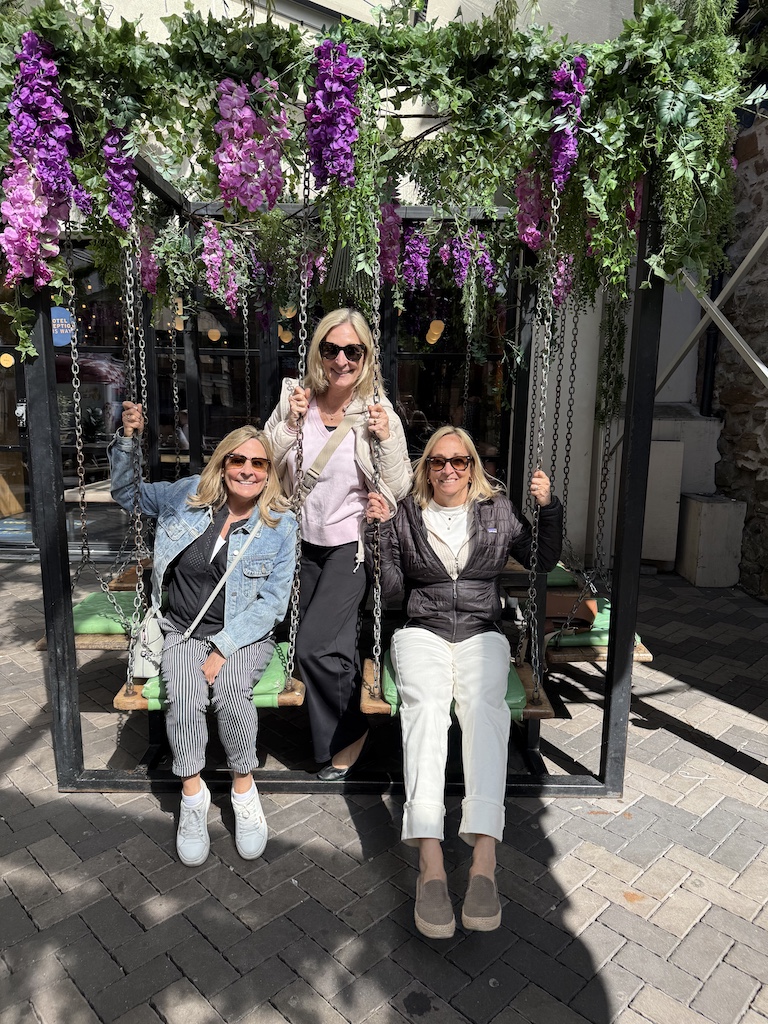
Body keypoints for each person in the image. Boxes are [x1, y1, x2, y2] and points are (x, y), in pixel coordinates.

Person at [366, 425, 563, 938]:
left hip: (481, 629)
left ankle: (483, 862)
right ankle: (430, 862)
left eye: (459, 461)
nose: (448, 469)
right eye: (438, 461)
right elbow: (391, 593)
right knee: (427, 709)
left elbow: (542, 559)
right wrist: (379, 535)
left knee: (484, 710)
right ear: (425, 469)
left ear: (473, 467)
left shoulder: (497, 510)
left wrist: (548, 508)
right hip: (422, 630)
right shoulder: (406, 514)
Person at [109, 402, 297, 867]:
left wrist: (224, 647)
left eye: (259, 463)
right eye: (239, 460)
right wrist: (128, 439)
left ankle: (243, 789)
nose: (248, 470)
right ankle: (193, 795)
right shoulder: (186, 496)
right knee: (185, 693)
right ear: (223, 463)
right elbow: (127, 493)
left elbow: (273, 603)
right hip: (183, 629)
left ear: (269, 473)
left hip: (243, 634)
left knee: (231, 691)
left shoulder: (280, 524)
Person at [265, 308, 412, 780]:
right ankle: (342, 726)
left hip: (351, 544)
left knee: (313, 645)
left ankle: (350, 733)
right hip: (299, 541)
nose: (341, 360)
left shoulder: (378, 412)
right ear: (318, 353)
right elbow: (265, 460)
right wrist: (290, 424)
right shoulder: (296, 398)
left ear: (366, 356)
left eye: (353, 350)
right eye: (331, 349)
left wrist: (385, 439)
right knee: (328, 644)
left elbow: (400, 485)